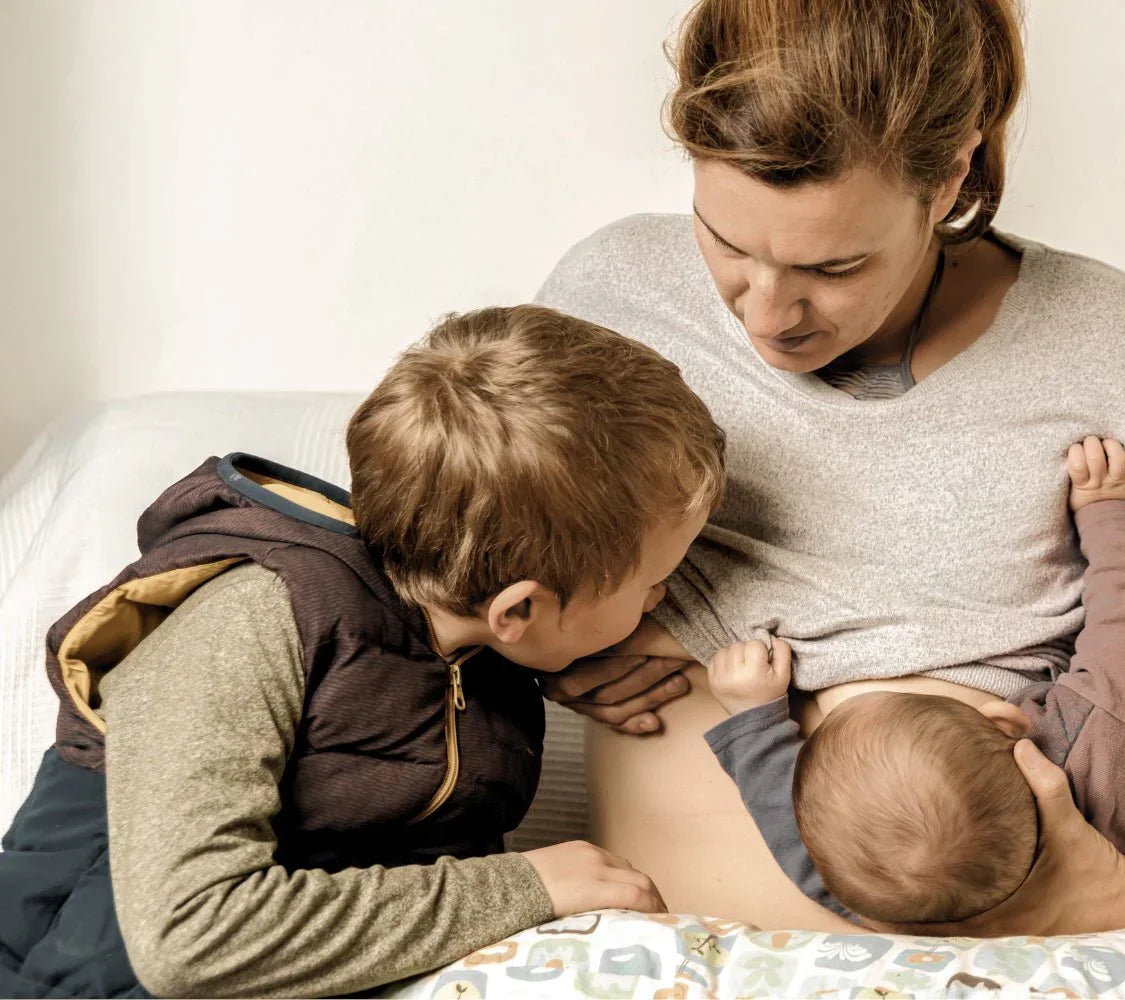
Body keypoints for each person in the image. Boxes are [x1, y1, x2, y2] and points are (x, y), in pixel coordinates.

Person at [538, 0, 1125, 934]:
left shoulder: (1114, 348)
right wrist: (543, 653)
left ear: (949, 177)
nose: (766, 313)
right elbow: (439, 570)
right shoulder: (610, 298)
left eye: (834, 268)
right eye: (727, 243)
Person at [0, 306, 721, 997]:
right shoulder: (252, 619)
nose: (660, 602)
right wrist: (527, 886)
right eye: (654, 582)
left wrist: (554, 665)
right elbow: (190, 938)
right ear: (519, 608)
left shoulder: (481, 655)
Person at [701, 436, 1125, 927]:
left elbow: (782, 811)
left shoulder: (873, 891)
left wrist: (755, 714)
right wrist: (1107, 510)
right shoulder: (1107, 734)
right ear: (1005, 721)